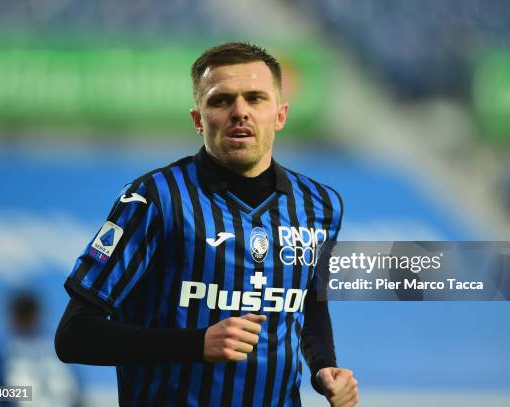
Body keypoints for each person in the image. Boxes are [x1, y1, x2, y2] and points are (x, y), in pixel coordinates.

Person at [54, 42, 359, 407]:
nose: (239, 112)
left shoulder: (321, 205)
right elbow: (74, 335)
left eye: (256, 98)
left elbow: (309, 302)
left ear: (280, 114)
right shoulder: (154, 199)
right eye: (221, 100)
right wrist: (196, 344)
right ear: (199, 120)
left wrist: (324, 366)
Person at [0, 291, 82, 407]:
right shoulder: (59, 345)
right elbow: (78, 392)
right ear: (38, 314)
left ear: (12, 315)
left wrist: (16, 393)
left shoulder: (0, 348)